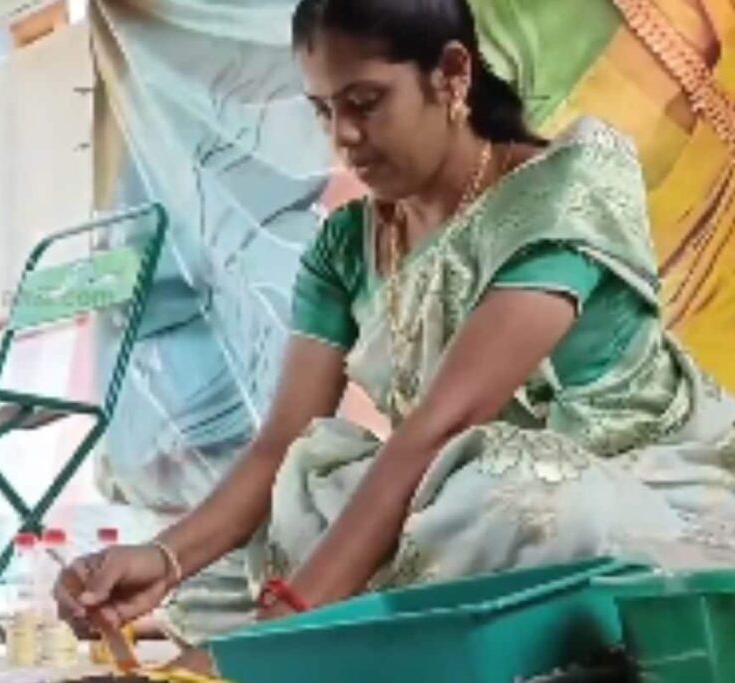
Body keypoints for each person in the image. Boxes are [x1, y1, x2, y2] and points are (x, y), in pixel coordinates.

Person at [56, 0, 735, 671]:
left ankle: (324, 634)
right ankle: (367, 625)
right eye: (324, 111)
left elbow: (444, 424)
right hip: (445, 491)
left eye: (365, 102)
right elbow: (280, 440)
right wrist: (165, 558)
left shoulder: (567, 185)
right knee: (301, 491)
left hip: (624, 487)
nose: (343, 137)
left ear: (452, 73)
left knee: (505, 493)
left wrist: (281, 624)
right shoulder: (347, 246)